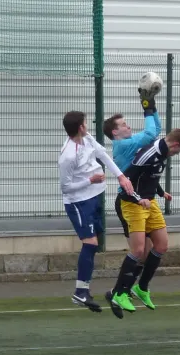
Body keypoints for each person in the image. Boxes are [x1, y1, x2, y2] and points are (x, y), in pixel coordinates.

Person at [106, 128, 180, 318]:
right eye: (179, 150)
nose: (178, 154)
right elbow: (126, 180)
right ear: (175, 145)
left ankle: (142, 288)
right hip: (132, 203)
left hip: (149, 202)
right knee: (138, 251)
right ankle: (119, 294)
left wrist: (161, 193)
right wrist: (138, 199)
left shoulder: (162, 153)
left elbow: (151, 175)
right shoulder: (149, 153)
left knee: (161, 245)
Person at [103, 90, 172, 317]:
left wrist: (151, 106)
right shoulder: (123, 145)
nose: (128, 126)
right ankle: (119, 292)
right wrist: (147, 107)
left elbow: (155, 131)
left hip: (143, 199)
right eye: (123, 125)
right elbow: (152, 132)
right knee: (140, 250)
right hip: (129, 200)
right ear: (115, 132)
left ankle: (124, 290)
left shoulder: (130, 143)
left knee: (151, 249)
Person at [58, 111, 133, 313]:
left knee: (94, 244)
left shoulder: (87, 139)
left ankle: (83, 290)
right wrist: (90, 180)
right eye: (85, 123)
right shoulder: (68, 155)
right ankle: (80, 292)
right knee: (89, 243)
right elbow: (65, 188)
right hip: (78, 202)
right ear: (80, 127)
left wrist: (121, 177)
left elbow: (103, 155)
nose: (88, 125)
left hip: (95, 197)